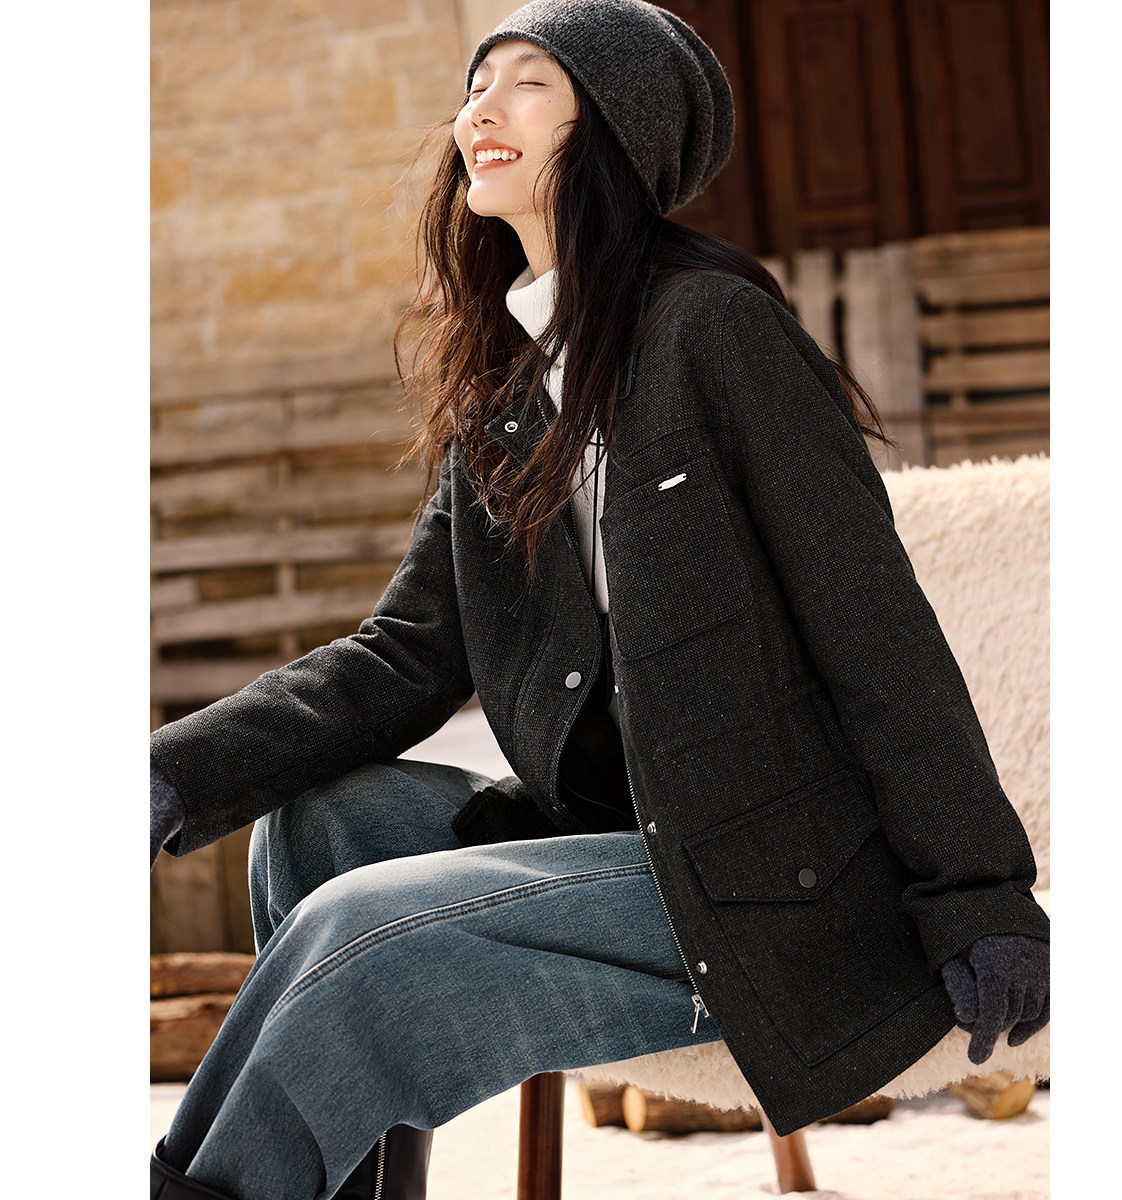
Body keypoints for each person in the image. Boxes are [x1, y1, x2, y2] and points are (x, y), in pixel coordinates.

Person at [149, 2, 1050, 1197]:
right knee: (316, 829)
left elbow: (872, 625)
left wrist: (980, 892)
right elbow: (402, 656)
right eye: (476, 84)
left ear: (616, 130)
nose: (481, 108)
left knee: (360, 945)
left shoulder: (717, 332)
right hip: (619, 835)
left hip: (768, 880)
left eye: (528, 82)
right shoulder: (508, 388)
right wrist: (165, 779)